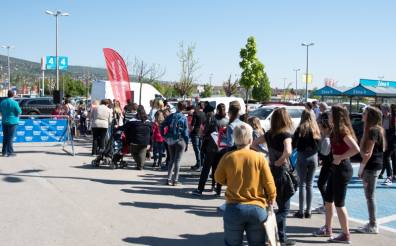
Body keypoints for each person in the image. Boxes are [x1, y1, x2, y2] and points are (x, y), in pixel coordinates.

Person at [215, 123, 277, 246]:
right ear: (250, 139)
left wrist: (230, 181)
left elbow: (218, 178)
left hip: (234, 207)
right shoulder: (259, 158)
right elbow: (269, 182)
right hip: (257, 208)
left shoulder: (228, 157)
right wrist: (272, 197)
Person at [313, 105, 360, 244]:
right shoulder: (335, 129)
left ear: (337, 116)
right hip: (335, 168)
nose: (329, 116)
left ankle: (346, 235)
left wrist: (340, 157)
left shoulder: (342, 130)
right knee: (328, 200)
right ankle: (328, 228)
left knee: (339, 204)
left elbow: (355, 149)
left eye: (331, 114)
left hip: (342, 169)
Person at [252, 108, 296, 246]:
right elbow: (288, 151)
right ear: (285, 119)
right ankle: (280, 238)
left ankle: (275, 236)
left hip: (271, 171)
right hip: (282, 171)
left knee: (272, 204)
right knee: (284, 208)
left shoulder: (269, 134)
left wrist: (266, 153)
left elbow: (253, 144)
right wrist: (281, 160)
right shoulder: (286, 134)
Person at [356, 106, 385, 234]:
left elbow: (367, 153)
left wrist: (361, 168)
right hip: (374, 165)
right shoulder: (376, 129)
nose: (362, 114)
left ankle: (373, 225)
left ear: (370, 116)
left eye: (365, 113)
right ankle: (372, 222)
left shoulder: (373, 130)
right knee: (370, 196)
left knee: (370, 197)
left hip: (371, 167)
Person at [292, 109, 320, 219]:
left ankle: (301, 211)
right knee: (310, 184)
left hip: (302, 156)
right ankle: (308, 211)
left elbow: (294, 143)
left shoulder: (300, 129)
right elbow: (320, 145)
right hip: (314, 157)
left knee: (302, 184)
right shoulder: (316, 129)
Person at [161, 101, 189, 186]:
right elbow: (186, 132)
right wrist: (187, 143)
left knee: (171, 160)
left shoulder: (171, 116)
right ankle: (175, 180)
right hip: (180, 140)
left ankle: (168, 179)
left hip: (170, 140)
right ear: (184, 108)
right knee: (177, 161)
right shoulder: (184, 118)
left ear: (177, 107)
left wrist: (164, 136)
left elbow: (162, 125)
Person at [123, 106, 152, 170]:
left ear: (137, 113)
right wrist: (150, 143)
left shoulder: (132, 121)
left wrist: (128, 139)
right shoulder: (149, 121)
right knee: (142, 153)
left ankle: (140, 165)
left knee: (134, 152)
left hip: (134, 140)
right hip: (145, 141)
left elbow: (125, 129)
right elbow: (151, 133)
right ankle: (140, 165)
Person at [316, 112, 332, 214]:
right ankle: (326, 204)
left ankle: (327, 205)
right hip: (328, 163)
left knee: (321, 183)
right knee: (323, 184)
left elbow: (324, 152)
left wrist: (319, 155)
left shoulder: (327, 137)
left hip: (329, 164)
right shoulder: (325, 134)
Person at [0, 90, 22, 157]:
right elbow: (19, 112)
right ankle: (10, 152)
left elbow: (0, 112)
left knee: (5, 137)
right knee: (10, 137)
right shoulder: (15, 103)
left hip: (4, 121)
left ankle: (4, 152)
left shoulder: (2, 102)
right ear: (13, 95)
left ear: (7, 95)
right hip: (13, 122)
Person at [379, 104, 394, 185]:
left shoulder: (392, 118)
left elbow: (392, 131)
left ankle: (389, 176)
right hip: (384, 140)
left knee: (386, 157)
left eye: (383, 109)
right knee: (386, 157)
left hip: (392, 141)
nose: (381, 111)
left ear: (387, 110)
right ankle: (386, 174)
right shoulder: (381, 118)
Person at [190, 102, 206, 171]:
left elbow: (192, 124)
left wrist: (190, 130)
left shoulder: (195, 113)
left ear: (199, 106)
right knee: (200, 149)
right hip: (201, 132)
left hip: (195, 132)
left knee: (197, 149)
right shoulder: (204, 114)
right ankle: (199, 163)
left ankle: (199, 164)